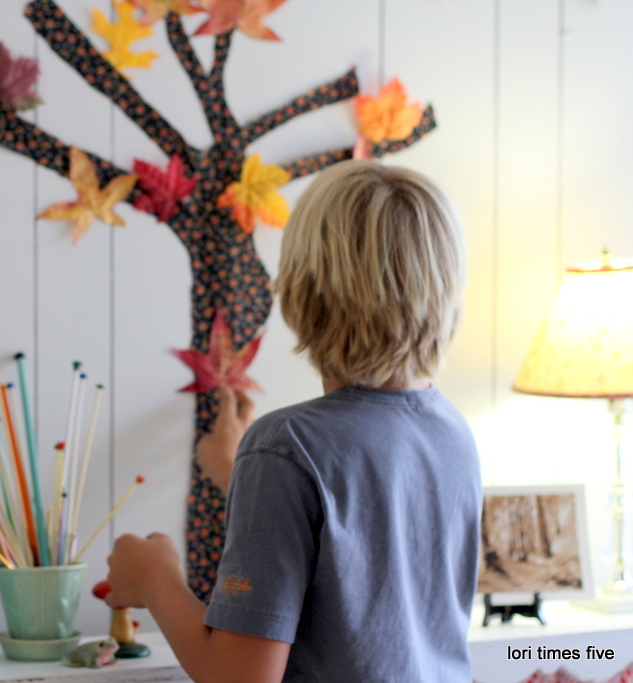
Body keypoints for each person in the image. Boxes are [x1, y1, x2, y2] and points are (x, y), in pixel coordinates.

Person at [103, 161, 481, 683]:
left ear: (300, 289)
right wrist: (241, 472)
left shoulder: (285, 447)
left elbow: (238, 678)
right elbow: (359, 543)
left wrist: (155, 578)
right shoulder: (452, 432)